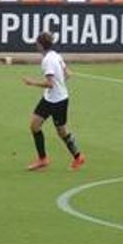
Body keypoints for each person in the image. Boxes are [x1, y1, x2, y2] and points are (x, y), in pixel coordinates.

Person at [22, 31, 85, 171]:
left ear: (40, 45)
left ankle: (78, 157)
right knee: (34, 126)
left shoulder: (47, 61)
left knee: (62, 132)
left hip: (58, 102)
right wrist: (59, 83)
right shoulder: (56, 55)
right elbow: (68, 74)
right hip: (51, 98)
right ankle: (43, 159)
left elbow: (50, 84)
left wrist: (32, 83)